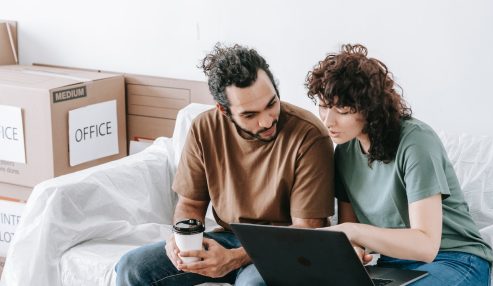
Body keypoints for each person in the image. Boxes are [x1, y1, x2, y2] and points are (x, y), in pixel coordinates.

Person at [115, 43, 335, 286]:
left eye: (272, 104)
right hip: (228, 238)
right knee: (132, 267)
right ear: (223, 110)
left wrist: (234, 258)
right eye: (250, 115)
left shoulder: (309, 135)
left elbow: (308, 229)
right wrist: (182, 240)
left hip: (284, 250)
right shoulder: (204, 128)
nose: (266, 121)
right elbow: (190, 204)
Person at [305, 44, 493, 285]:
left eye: (342, 109)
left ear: (369, 107)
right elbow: (350, 230)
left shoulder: (416, 142)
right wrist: (352, 247)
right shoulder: (345, 150)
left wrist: (353, 232)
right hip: (393, 265)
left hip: (455, 259)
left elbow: (426, 246)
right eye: (323, 106)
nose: (328, 120)